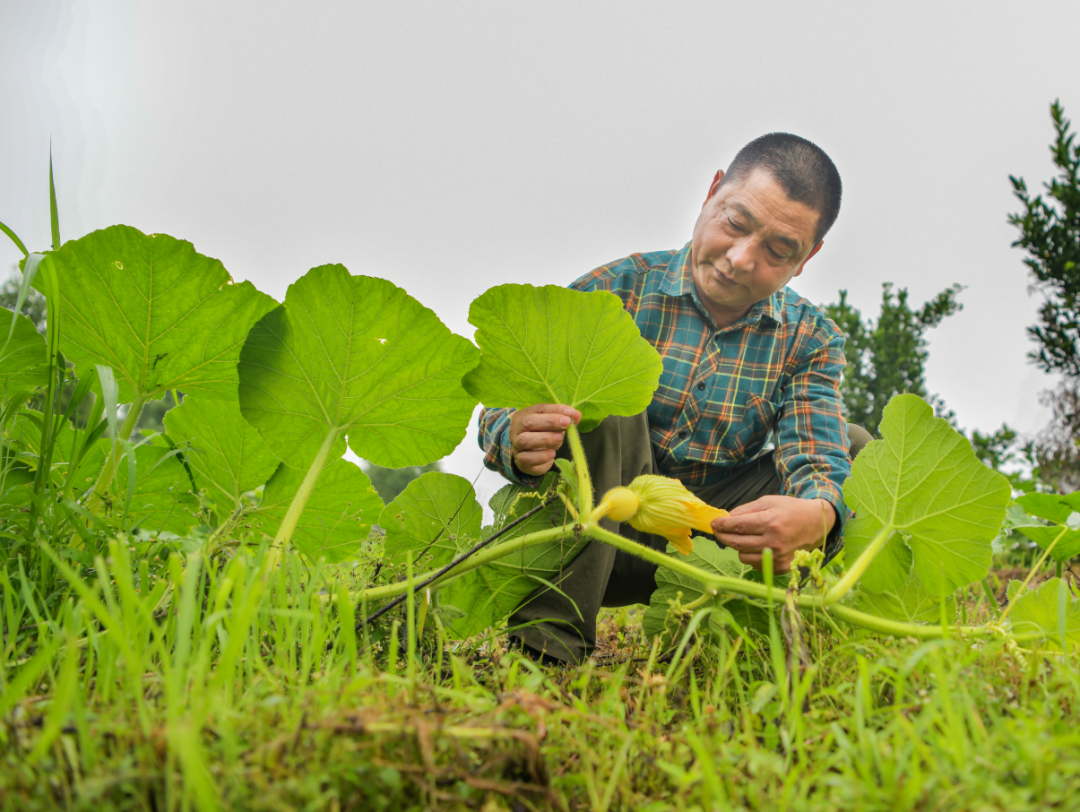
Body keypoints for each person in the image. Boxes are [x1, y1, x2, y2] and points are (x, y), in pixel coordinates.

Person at [478, 133, 871, 664]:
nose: (739, 259)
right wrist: (515, 433)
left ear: (807, 258)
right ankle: (546, 651)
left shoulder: (810, 339)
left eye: (778, 252)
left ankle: (774, 642)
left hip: (714, 550)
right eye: (735, 223)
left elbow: (817, 451)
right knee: (602, 400)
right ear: (712, 192)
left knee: (858, 451)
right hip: (594, 537)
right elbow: (502, 407)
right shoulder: (612, 291)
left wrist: (822, 514)